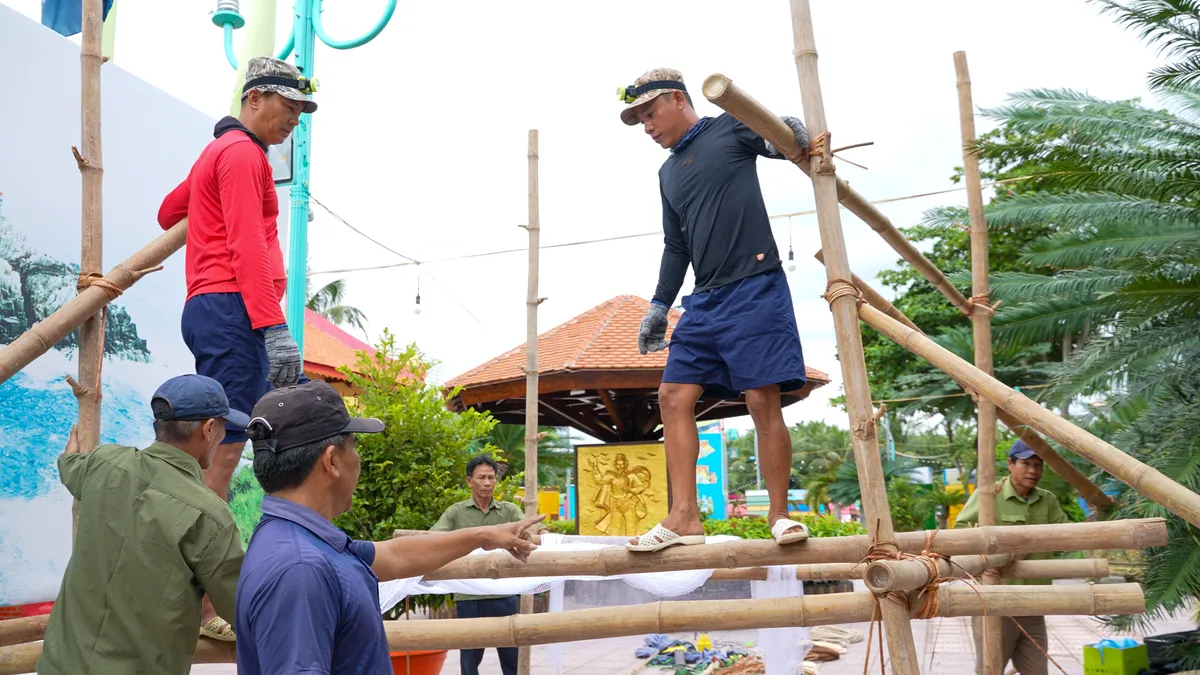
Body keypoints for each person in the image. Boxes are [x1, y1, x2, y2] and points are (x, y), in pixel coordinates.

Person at [618, 68, 811, 552]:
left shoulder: (730, 126)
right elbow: (675, 244)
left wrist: (787, 131)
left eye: (649, 113)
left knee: (761, 399)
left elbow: (778, 140)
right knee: (672, 398)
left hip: (754, 285)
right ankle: (684, 517)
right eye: (639, 119)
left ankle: (780, 514)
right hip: (704, 301)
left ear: (678, 100)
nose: (646, 127)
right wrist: (659, 306)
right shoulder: (666, 173)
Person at [158, 55, 316, 639]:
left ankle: (197, 599)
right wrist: (274, 326)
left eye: (302, 112)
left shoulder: (217, 154)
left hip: (210, 308)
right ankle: (203, 610)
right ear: (254, 100)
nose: (294, 120)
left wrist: (208, 197)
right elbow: (249, 245)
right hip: (233, 309)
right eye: (288, 107)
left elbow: (168, 211)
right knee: (222, 455)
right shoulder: (244, 154)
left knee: (218, 449)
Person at [235, 382, 546, 675]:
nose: (358, 458)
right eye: (354, 446)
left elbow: (394, 555)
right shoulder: (300, 568)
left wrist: (484, 535)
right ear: (331, 461)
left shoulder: (298, 537)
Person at [37, 375, 249, 675]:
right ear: (210, 429)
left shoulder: (103, 463)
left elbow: (71, 467)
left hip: (59, 666)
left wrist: (66, 458)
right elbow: (243, 609)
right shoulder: (209, 514)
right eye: (224, 427)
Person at [955, 439, 1069, 675]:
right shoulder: (989, 495)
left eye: (1038, 465)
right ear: (1010, 464)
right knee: (991, 670)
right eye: (1026, 464)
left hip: (1034, 603)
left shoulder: (1047, 500)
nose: (1033, 471)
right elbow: (959, 534)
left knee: (1038, 670)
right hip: (996, 604)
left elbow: (1067, 537)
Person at [431, 455, 550, 675]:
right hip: (469, 597)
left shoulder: (508, 510)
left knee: (512, 661)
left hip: (504, 595)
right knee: (469, 664)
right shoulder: (455, 512)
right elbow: (434, 537)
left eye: (491, 478)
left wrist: (543, 533)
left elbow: (531, 527)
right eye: (482, 478)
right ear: (469, 481)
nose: (487, 483)